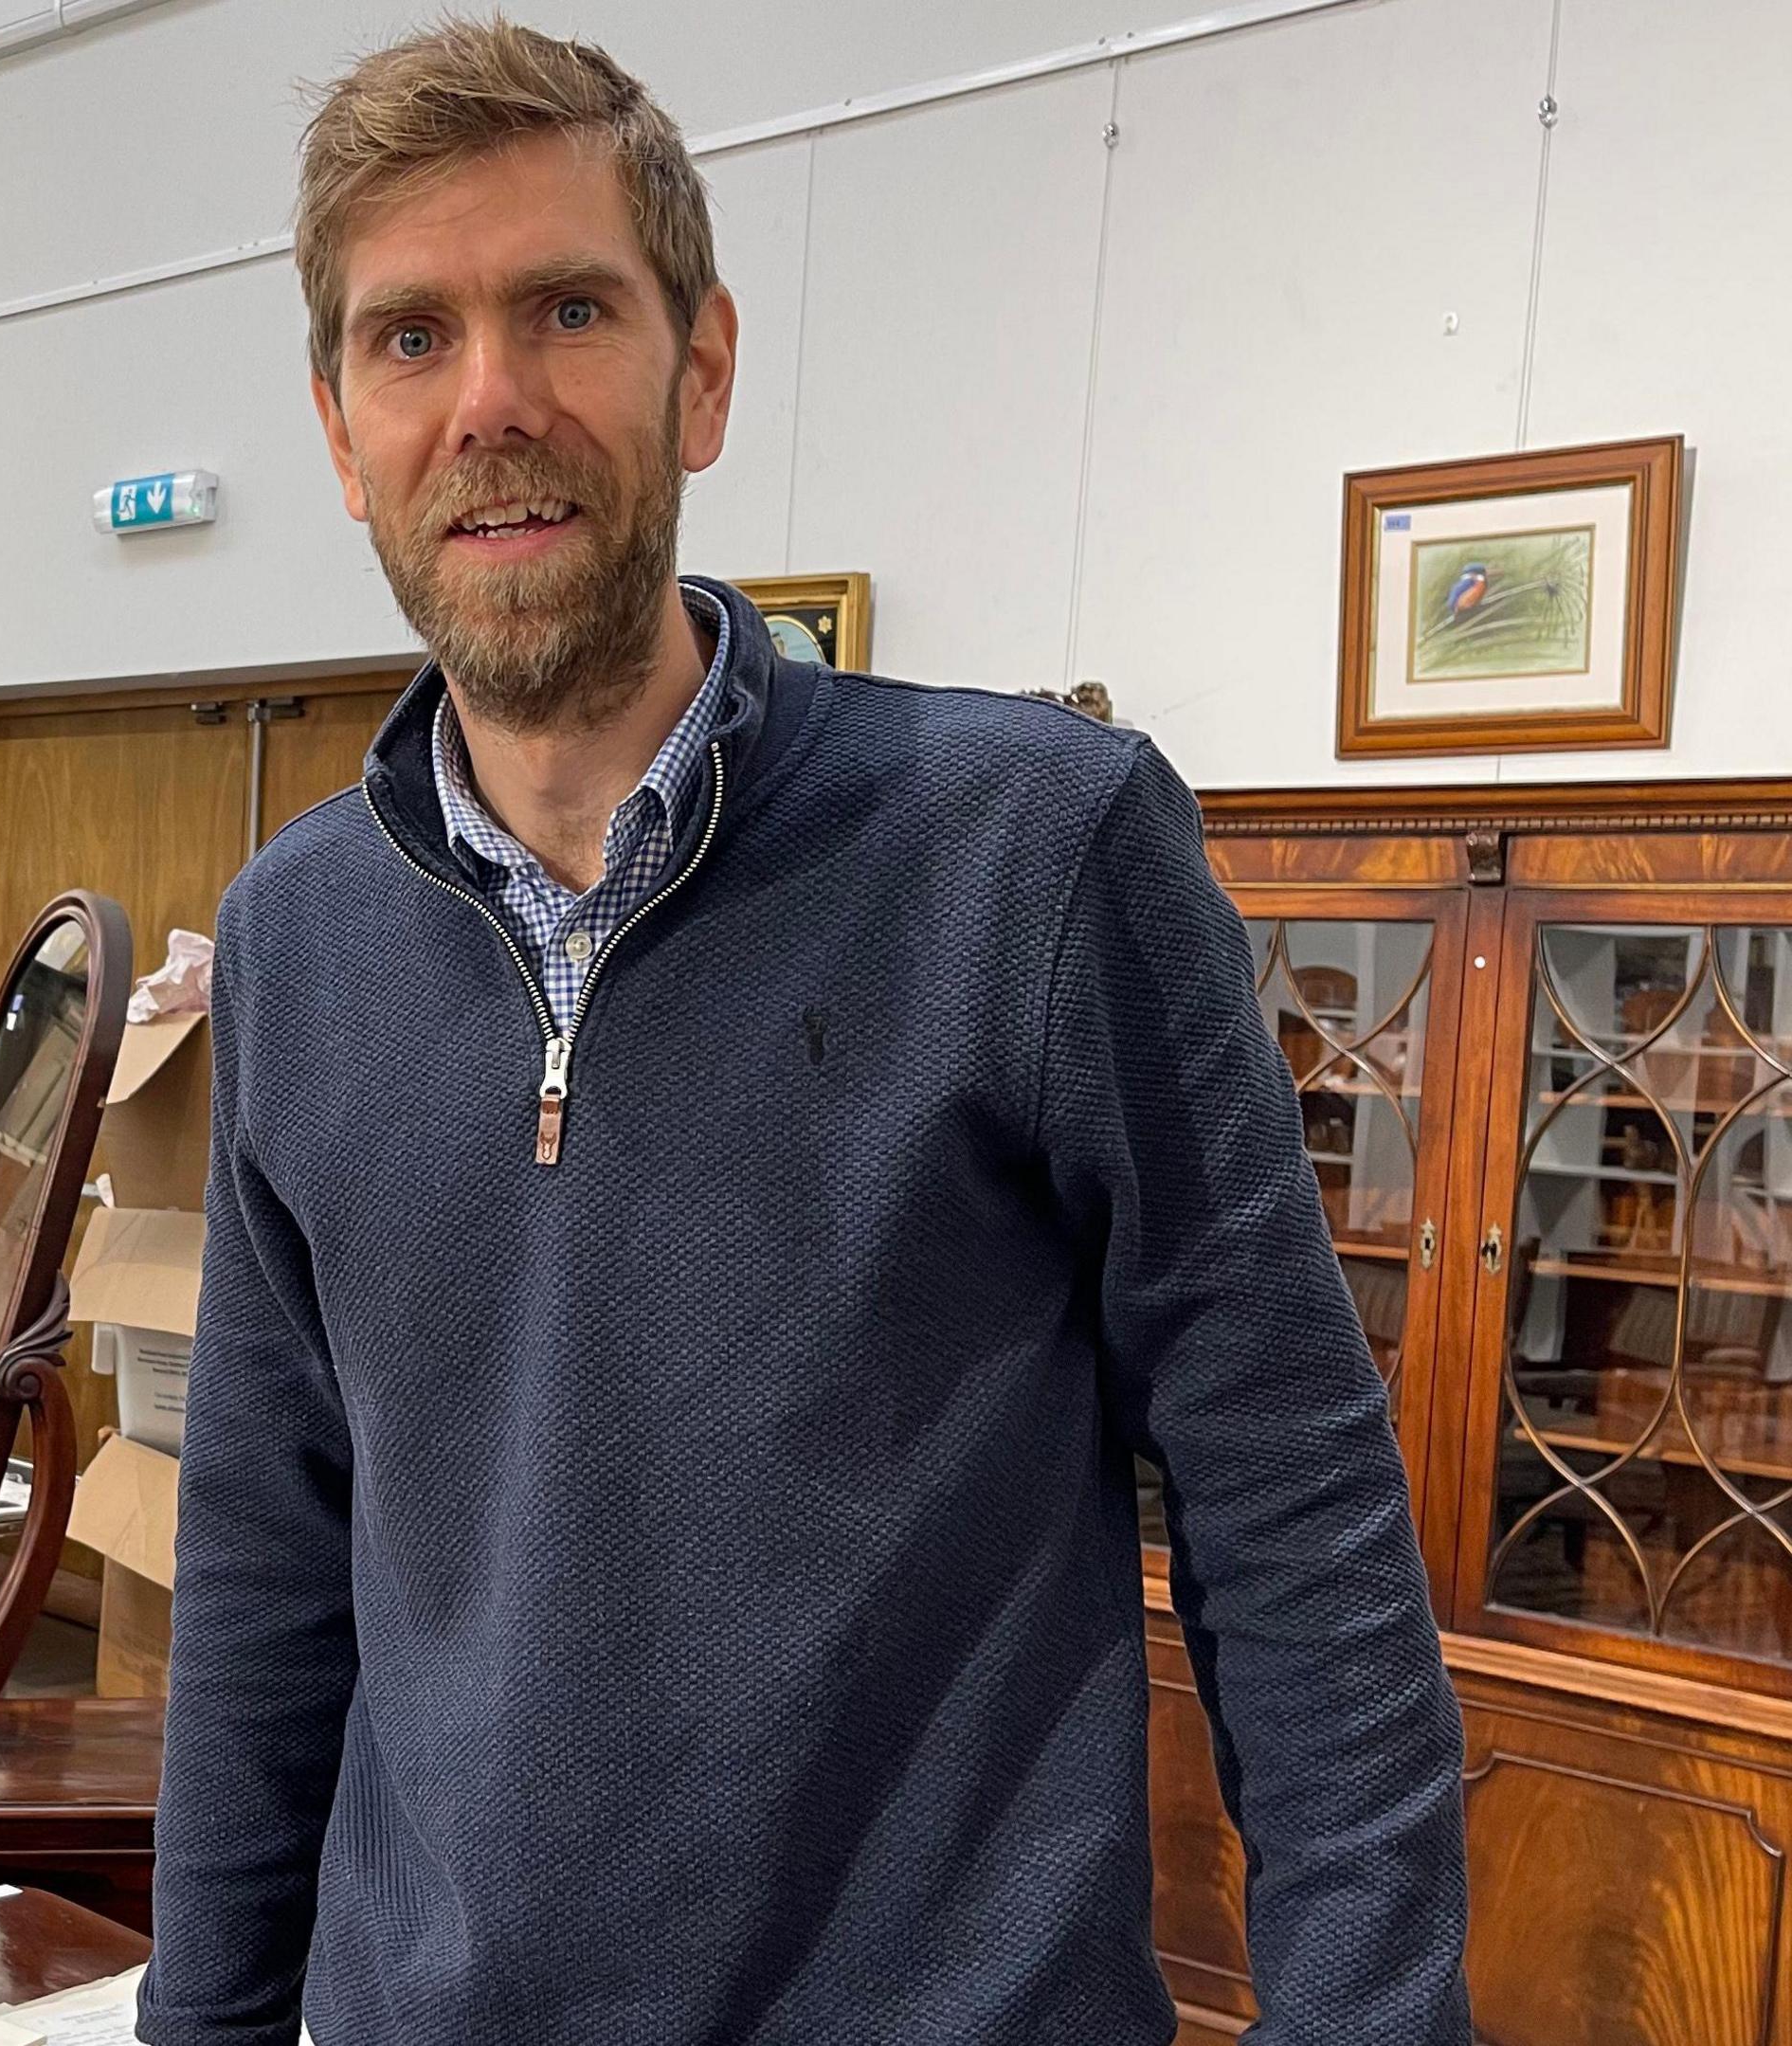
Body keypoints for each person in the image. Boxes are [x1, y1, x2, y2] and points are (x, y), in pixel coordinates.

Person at [137, 20, 1468, 2046]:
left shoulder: (1034, 854)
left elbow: (1294, 1501)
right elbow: (261, 1577)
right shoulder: (295, 940)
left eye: (565, 307)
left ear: (705, 370)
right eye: (411, 337)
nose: (489, 398)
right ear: (338, 431)